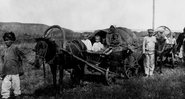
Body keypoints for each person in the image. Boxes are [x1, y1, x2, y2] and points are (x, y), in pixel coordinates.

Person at [0, 32, 26, 99]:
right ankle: (5, 96)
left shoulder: (15, 48)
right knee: (5, 87)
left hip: (15, 71)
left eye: (8, 40)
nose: (6, 42)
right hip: (6, 72)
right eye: (5, 40)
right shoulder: (5, 50)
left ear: (12, 40)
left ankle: (17, 95)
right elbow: (3, 60)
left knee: (16, 87)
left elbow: (22, 56)